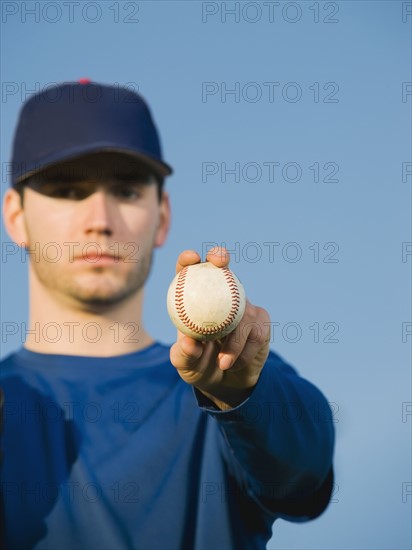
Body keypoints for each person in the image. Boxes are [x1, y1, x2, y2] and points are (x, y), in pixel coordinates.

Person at [0, 81, 335, 550]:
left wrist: (240, 394)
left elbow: (306, 473)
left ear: (162, 216)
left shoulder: (224, 383)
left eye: (126, 190)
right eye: (68, 190)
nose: (100, 217)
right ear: (15, 216)